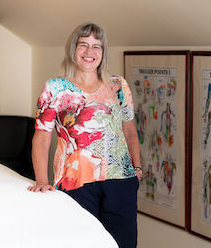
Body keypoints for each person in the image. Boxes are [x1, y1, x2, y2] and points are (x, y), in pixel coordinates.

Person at [28, 22, 142, 248]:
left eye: (96, 46)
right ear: (73, 49)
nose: (90, 52)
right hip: (75, 183)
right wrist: (42, 180)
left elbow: (129, 130)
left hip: (121, 181)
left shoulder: (118, 85)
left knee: (123, 244)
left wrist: (137, 169)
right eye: (84, 45)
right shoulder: (55, 88)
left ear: (103, 52)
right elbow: (41, 139)